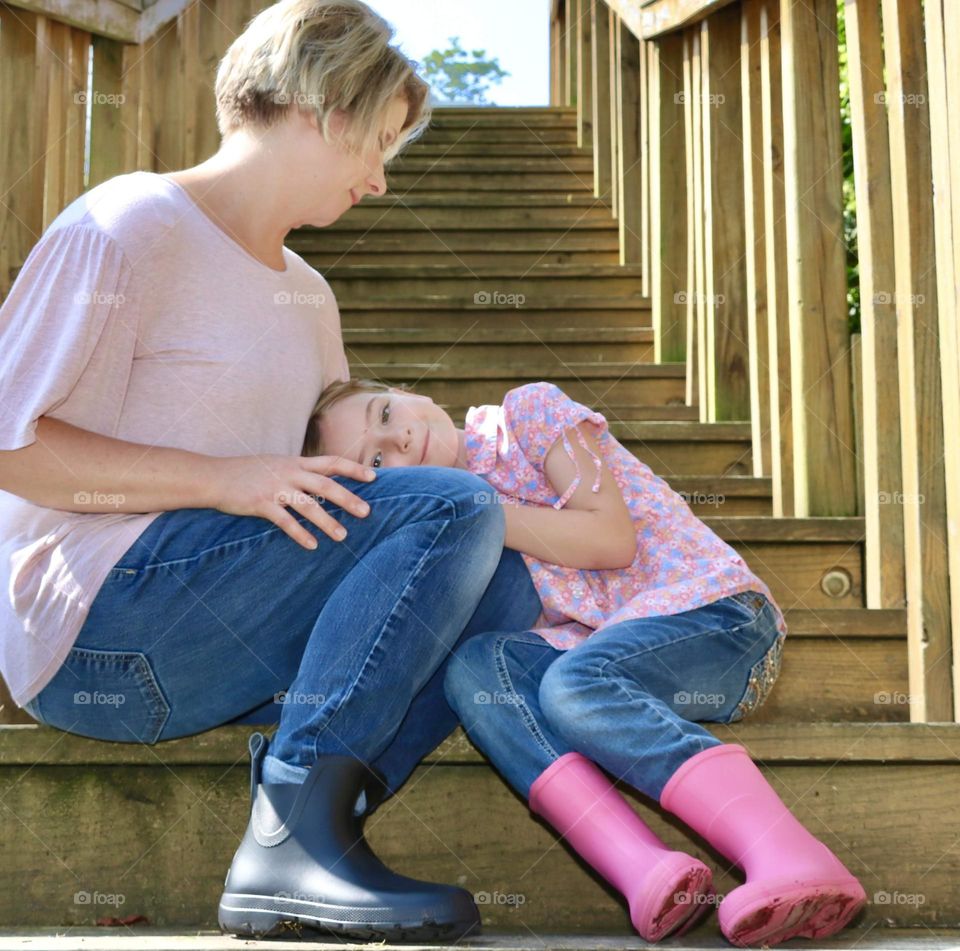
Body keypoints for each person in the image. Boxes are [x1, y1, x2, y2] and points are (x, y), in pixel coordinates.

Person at [0, 0, 543, 941]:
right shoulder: (126, 227)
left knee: (498, 580)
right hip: (101, 627)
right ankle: (294, 831)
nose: (377, 181)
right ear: (324, 109)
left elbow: (348, 496)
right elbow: (13, 447)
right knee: (456, 513)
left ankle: (305, 833)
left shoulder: (309, 291)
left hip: (224, 616)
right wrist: (224, 479)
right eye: (375, 144)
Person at [304, 376, 868, 948]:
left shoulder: (525, 415)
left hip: (721, 619)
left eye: (384, 412)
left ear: (406, 391)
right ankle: (644, 869)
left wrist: (471, 508)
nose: (399, 438)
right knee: (476, 670)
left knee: (573, 685)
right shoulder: (443, 528)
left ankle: (786, 850)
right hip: (613, 647)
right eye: (377, 458)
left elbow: (610, 539)